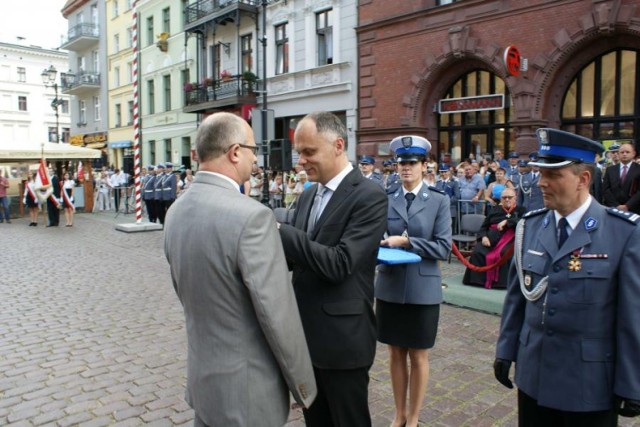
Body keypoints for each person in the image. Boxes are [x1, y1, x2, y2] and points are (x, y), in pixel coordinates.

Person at [164, 112, 316, 426]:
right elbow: (277, 313)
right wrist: (304, 387)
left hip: (205, 382)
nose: (255, 159)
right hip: (249, 391)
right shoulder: (252, 217)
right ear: (235, 152)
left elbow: (185, 292)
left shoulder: (176, 210)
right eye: (252, 150)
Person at [494, 128, 640, 426]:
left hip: (589, 383)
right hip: (534, 373)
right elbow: (517, 298)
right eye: (540, 173)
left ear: (583, 179)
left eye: (553, 175)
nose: (541, 183)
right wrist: (506, 349)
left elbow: (632, 317)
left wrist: (632, 382)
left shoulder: (623, 233)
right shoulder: (530, 226)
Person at [277, 111, 388, 427]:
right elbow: (295, 258)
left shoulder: (369, 195)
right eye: (299, 152)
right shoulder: (310, 192)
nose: (301, 160)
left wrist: (281, 232)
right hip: (305, 340)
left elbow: (340, 264)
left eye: (309, 151)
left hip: (343, 344)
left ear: (338, 145)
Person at [375, 135, 452, 427]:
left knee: (419, 355)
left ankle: (414, 418)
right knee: (395, 352)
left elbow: (443, 248)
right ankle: (399, 415)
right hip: (391, 284)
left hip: (423, 288)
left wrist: (407, 242)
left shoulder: (438, 201)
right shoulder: (387, 199)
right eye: (401, 163)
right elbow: (378, 239)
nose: (405, 168)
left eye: (411, 163)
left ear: (424, 165)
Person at [463, 187, 525, 289]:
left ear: (515, 198)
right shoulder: (495, 210)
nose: (507, 199)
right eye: (504, 197)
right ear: (500, 199)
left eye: (510, 197)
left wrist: (507, 222)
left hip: (510, 240)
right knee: (478, 251)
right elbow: (484, 226)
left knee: (505, 253)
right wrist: (483, 237)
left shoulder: (521, 210)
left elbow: (523, 222)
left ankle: (500, 284)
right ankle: (477, 281)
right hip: (490, 239)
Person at [602, 141, 640, 213]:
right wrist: (616, 205)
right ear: (619, 154)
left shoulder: (638, 169)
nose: (624, 154)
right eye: (622, 152)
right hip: (614, 209)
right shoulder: (610, 170)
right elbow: (605, 189)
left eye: (627, 152)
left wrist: (627, 206)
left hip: (634, 209)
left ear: (633, 154)